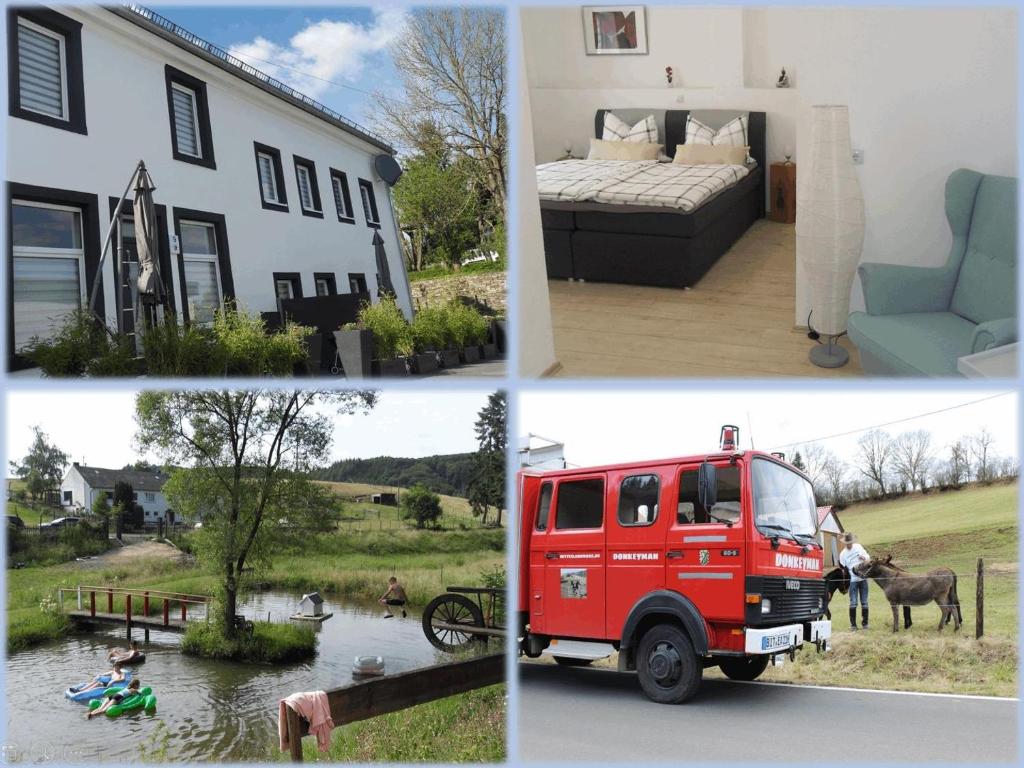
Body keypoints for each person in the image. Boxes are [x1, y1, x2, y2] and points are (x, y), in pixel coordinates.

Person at [839, 532, 870, 630]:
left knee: (864, 602)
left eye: (850, 543)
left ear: (852, 542)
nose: (849, 545)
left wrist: (864, 558)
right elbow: (843, 569)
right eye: (847, 543)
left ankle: (865, 624)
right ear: (845, 543)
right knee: (853, 602)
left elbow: (868, 558)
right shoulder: (842, 554)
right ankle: (853, 625)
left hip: (863, 578)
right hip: (852, 581)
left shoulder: (858, 547)